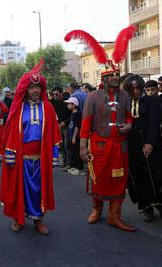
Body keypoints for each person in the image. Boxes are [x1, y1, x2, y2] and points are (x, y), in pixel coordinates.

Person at [65, 25, 137, 231]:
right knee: (98, 180)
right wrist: (82, 147)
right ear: (104, 79)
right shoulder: (93, 97)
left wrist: (129, 126)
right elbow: (85, 123)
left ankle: (115, 216)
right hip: (99, 147)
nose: (116, 77)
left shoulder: (124, 96)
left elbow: (130, 117)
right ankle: (96, 210)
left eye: (117, 74)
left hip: (119, 147)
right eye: (112, 75)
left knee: (119, 180)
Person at [0, 60, 61, 235]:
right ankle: (17, 219)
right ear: (25, 90)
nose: (35, 90)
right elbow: (11, 132)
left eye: (38, 87)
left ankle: (38, 220)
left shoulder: (48, 108)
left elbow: (54, 133)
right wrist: (10, 154)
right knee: (18, 190)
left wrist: (54, 155)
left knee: (38, 191)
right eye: (31, 87)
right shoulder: (18, 108)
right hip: (21, 157)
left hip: (41, 158)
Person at [123, 75, 162, 222]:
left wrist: (150, 142)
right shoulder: (124, 102)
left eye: (137, 88)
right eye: (131, 88)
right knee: (139, 177)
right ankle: (147, 208)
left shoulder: (152, 101)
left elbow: (154, 122)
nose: (135, 91)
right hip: (132, 146)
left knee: (156, 175)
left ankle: (160, 204)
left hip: (152, 144)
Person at [51, 87, 71, 170]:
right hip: (57, 127)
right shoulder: (53, 103)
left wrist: (65, 122)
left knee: (67, 146)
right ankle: (62, 162)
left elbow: (72, 115)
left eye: (57, 94)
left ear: (61, 94)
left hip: (66, 127)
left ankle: (68, 163)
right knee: (61, 145)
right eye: (53, 94)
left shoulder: (67, 103)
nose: (55, 96)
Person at [65, 97, 85, 176]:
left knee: (77, 153)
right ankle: (74, 166)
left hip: (76, 136)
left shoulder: (77, 114)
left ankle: (80, 169)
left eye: (69, 104)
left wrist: (74, 136)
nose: (68, 105)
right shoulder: (72, 114)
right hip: (72, 135)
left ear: (74, 105)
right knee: (73, 151)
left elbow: (77, 126)